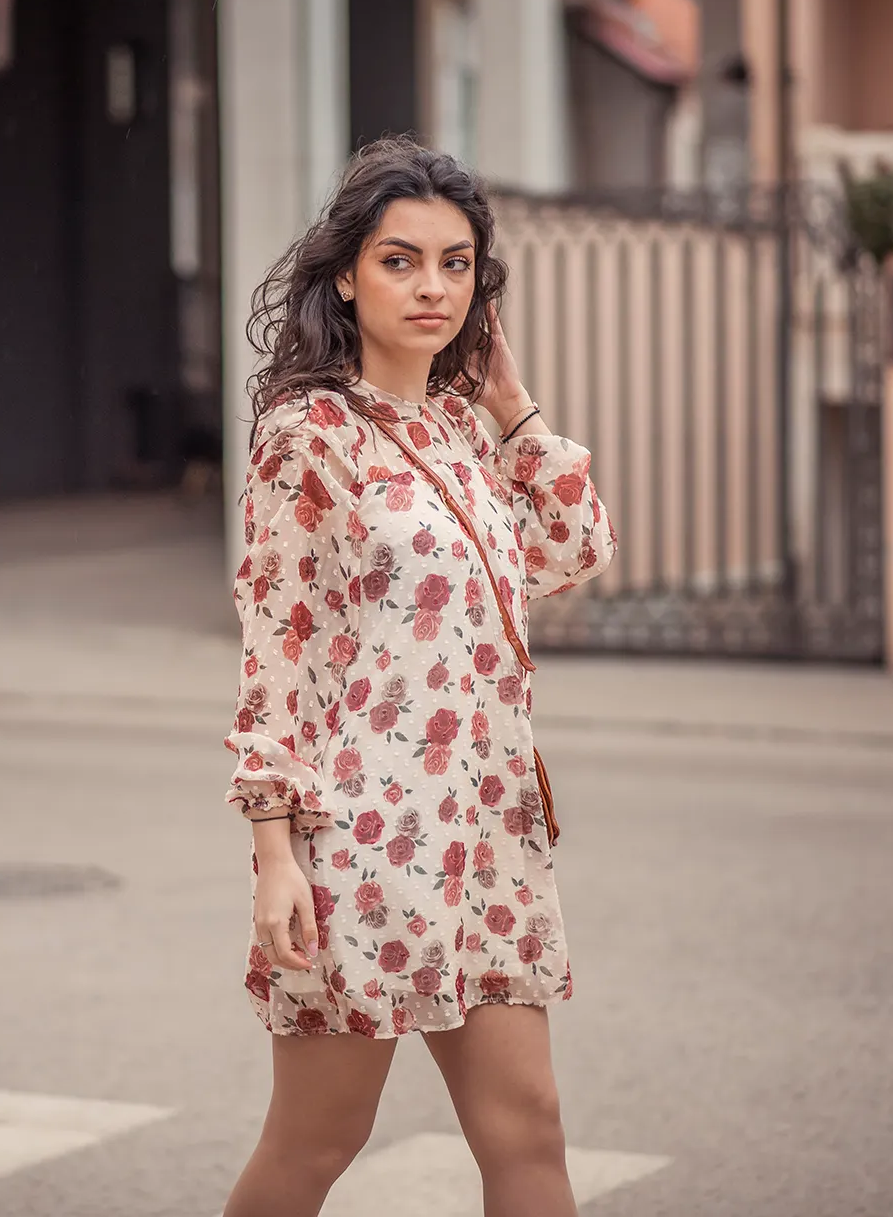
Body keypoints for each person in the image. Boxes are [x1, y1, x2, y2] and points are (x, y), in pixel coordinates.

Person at [220, 138, 617, 1217]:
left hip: (489, 836)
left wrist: (510, 403)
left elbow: (573, 547)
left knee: (528, 1127)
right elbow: (279, 650)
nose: (431, 286)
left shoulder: (455, 429)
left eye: (455, 263)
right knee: (316, 1140)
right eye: (399, 261)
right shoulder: (308, 436)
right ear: (348, 275)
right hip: (367, 844)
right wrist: (274, 855)